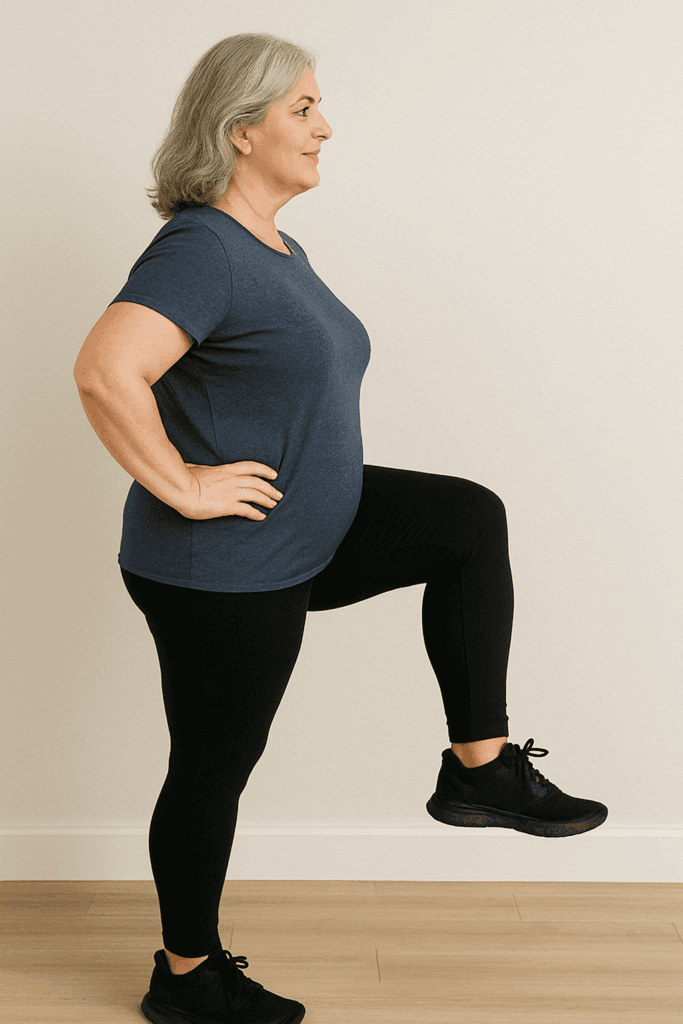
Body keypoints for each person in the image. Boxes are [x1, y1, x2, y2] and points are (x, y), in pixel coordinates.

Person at [72, 32, 608, 1024]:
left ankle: (478, 769)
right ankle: (185, 976)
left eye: (320, 106)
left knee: (463, 520)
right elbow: (107, 368)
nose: (326, 126)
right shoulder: (199, 249)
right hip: (222, 564)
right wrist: (184, 485)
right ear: (239, 132)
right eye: (303, 109)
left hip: (304, 533)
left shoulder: (276, 246)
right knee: (211, 767)